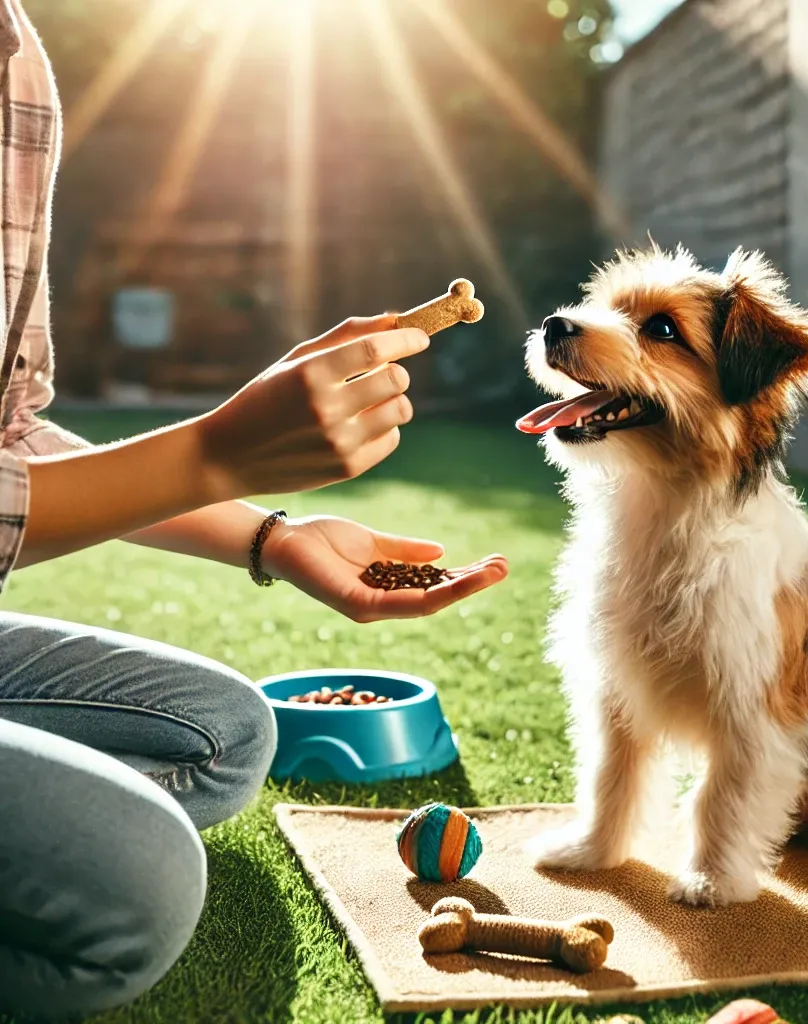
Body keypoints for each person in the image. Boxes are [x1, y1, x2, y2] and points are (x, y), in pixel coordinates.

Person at [0, 2, 508, 1018]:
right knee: (139, 884)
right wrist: (210, 451)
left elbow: (11, 431)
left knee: (223, 732)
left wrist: (271, 533)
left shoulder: (19, 62)